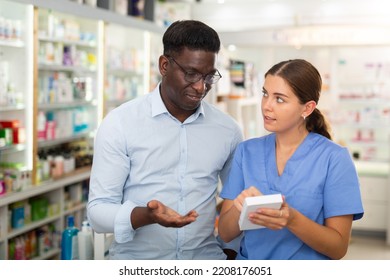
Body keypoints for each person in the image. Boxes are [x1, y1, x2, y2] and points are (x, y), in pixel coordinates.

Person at [87, 20, 243, 260]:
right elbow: (98, 213)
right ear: (164, 65)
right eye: (191, 74)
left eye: (209, 77)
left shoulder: (227, 129)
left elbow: (236, 202)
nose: (201, 87)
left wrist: (231, 253)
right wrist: (145, 216)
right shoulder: (121, 123)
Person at [218, 59, 364, 260]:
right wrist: (239, 208)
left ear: (307, 108)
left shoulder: (334, 159)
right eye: (265, 94)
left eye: (279, 99)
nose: (266, 106)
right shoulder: (246, 151)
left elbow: (338, 248)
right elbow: (225, 234)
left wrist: (291, 219)